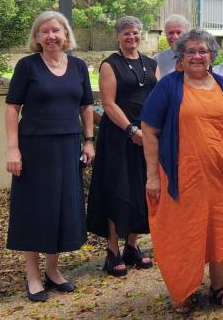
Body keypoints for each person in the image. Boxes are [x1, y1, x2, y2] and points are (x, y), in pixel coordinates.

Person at [140, 29, 223, 313]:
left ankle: (220, 289)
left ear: (212, 55)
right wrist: (152, 176)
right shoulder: (169, 87)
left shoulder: (222, 85)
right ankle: (183, 289)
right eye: (191, 52)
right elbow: (149, 130)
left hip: (222, 176)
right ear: (181, 57)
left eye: (203, 51)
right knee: (185, 234)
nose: (197, 56)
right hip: (183, 177)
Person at [5, 11, 95, 302]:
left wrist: (89, 141)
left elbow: (86, 106)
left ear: (66, 35)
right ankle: (33, 275)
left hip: (68, 145)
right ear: (37, 37)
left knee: (61, 208)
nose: (51, 36)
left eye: (56, 30)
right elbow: (12, 108)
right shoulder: (27, 66)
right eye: (44, 31)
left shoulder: (79, 67)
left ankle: (53, 271)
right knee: (35, 209)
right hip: (34, 148)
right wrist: (12, 148)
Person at [87, 16, 159, 277]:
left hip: (146, 137)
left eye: (136, 33)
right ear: (118, 37)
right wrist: (131, 129)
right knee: (119, 190)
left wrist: (152, 131)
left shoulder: (151, 65)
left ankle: (132, 246)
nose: (132, 38)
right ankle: (113, 250)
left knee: (141, 190)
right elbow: (108, 104)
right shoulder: (110, 64)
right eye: (126, 33)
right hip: (119, 136)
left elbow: (158, 97)